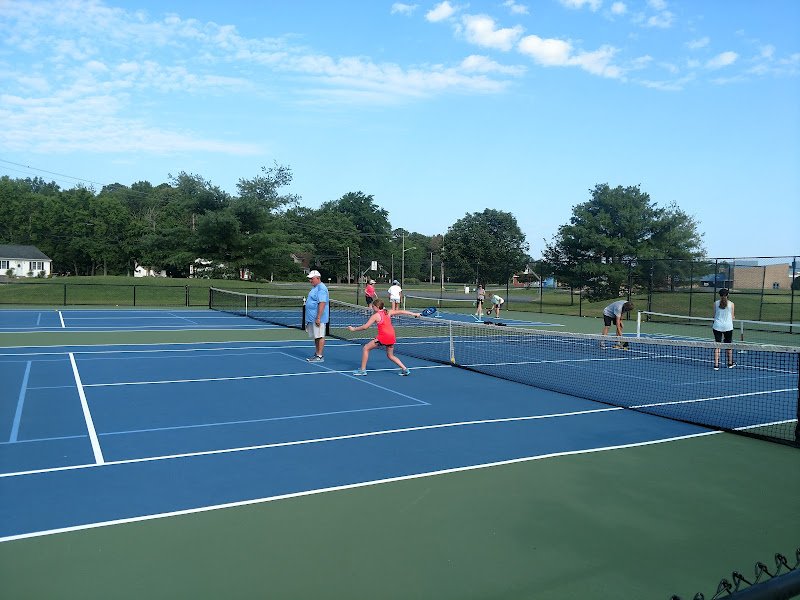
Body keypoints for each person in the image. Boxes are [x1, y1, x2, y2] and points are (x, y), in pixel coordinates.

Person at [347, 299, 420, 376]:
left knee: (366, 348)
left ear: (377, 306)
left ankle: (362, 370)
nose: (372, 308)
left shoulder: (375, 316)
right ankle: (405, 369)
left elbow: (365, 327)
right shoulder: (388, 312)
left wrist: (353, 329)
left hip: (383, 337)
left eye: (373, 306)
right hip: (392, 336)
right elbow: (402, 311)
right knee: (390, 355)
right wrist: (414, 314)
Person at [305, 270, 329, 362]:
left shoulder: (321, 288)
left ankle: (319, 356)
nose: (310, 280)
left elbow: (322, 303)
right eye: (310, 279)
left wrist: (318, 317)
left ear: (318, 278)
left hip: (319, 318)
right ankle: (317, 353)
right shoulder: (315, 288)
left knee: (320, 336)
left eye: (312, 279)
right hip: (312, 318)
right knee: (316, 336)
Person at [712, 288, 735, 370]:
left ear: (719, 295)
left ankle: (716, 365)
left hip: (717, 326)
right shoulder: (732, 304)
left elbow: (714, 316)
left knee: (717, 346)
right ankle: (730, 363)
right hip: (728, 327)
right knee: (728, 345)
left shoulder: (715, 303)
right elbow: (732, 317)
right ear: (728, 295)